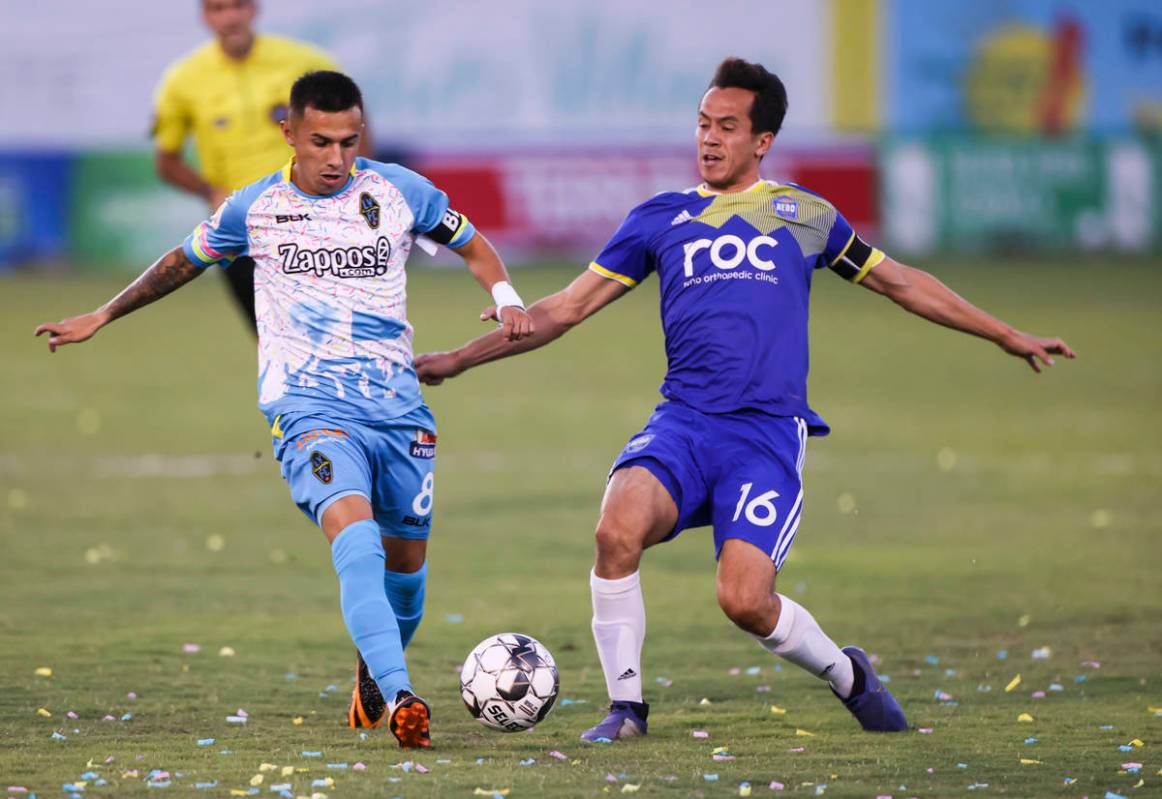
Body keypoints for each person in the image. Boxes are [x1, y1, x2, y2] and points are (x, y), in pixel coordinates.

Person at [414, 57, 1076, 741]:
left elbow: (901, 282)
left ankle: (848, 674)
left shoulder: (805, 216)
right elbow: (568, 308)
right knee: (615, 530)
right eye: (703, 124)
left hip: (763, 436)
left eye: (727, 127)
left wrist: (1003, 332)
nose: (709, 139)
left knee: (744, 600)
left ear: (762, 141)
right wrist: (461, 358)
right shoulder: (660, 218)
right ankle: (627, 709)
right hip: (683, 424)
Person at [37, 71, 533, 749]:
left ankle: (371, 669)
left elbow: (473, 245)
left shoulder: (398, 192)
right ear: (290, 133)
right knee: (354, 542)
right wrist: (104, 311)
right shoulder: (255, 208)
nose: (336, 158)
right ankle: (402, 695)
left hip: (399, 410)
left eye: (349, 141)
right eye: (322, 141)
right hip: (309, 408)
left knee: (407, 580)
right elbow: (183, 261)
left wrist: (504, 294)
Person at [152, 0, 368, 333]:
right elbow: (167, 162)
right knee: (273, 339)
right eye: (218, 8)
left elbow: (352, 127)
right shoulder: (183, 79)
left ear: (254, 9)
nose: (230, 17)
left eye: (238, 6)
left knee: (340, 332)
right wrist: (210, 192)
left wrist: (355, 190)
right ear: (205, 16)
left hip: (315, 220)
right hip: (242, 228)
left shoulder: (304, 61)